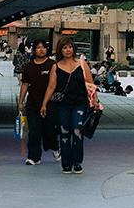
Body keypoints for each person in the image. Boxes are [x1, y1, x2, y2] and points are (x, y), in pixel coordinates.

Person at [40, 37, 96, 175]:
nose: (68, 50)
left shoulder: (82, 64)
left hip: (79, 102)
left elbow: (90, 84)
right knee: (64, 132)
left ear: (73, 48)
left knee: (77, 130)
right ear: (60, 50)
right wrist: (44, 104)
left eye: (70, 47)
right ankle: (66, 163)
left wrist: (95, 100)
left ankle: (77, 162)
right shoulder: (56, 67)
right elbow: (51, 86)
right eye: (64, 47)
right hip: (62, 104)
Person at [19, 40, 58, 165]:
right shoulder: (28, 66)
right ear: (34, 50)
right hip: (33, 103)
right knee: (34, 131)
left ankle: (55, 147)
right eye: (38, 47)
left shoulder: (53, 65)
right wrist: (20, 102)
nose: (41, 50)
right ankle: (34, 157)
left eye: (43, 47)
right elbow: (25, 84)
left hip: (50, 103)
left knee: (49, 129)